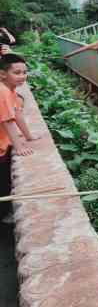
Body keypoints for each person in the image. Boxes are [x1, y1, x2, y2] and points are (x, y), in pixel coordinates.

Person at [0, 53, 38, 223]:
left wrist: (29, 137)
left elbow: (18, 114)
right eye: (17, 72)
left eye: (24, 72)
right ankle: (5, 216)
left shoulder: (11, 90)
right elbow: (7, 121)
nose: (22, 76)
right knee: (3, 184)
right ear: (2, 74)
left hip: (4, 144)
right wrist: (20, 147)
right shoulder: (2, 91)